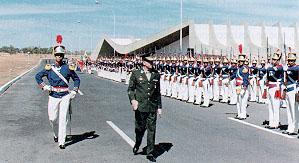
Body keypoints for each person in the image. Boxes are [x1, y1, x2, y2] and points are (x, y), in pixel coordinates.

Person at [35, 36, 80, 149]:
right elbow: (38, 76)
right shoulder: (49, 68)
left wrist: (75, 90)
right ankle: (55, 134)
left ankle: (62, 141)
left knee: (63, 118)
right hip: (53, 95)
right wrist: (44, 86)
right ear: (54, 56)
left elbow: (77, 79)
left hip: (65, 95)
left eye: (61, 55)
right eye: (57, 55)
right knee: (52, 118)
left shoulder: (68, 68)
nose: (59, 57)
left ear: (63, 56)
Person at [127, 53, 162, 162]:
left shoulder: (156, 74)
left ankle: (150, 153)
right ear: (144, 62)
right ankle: (137, 143)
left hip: (152, 106)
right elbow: (130, 89)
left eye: (152, 62)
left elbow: (157, 92)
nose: (152, 64)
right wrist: (133, 100)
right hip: (140, 107)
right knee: (140, 129)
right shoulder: (136, 73)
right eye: (149, 62)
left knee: (152, 129)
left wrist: (159, 106)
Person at [282, 52, 298, 135]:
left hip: (294, 89)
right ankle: (290, 127)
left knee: (294, 109)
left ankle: (295, 128)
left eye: (292, 60)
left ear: (294, 60)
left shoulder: (296, 68)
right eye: (289, 60)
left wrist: (286, 69)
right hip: (288, 89)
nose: (290, 62)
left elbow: (294, 70)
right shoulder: (287, 68)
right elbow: (285, 79)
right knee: (288, 110)